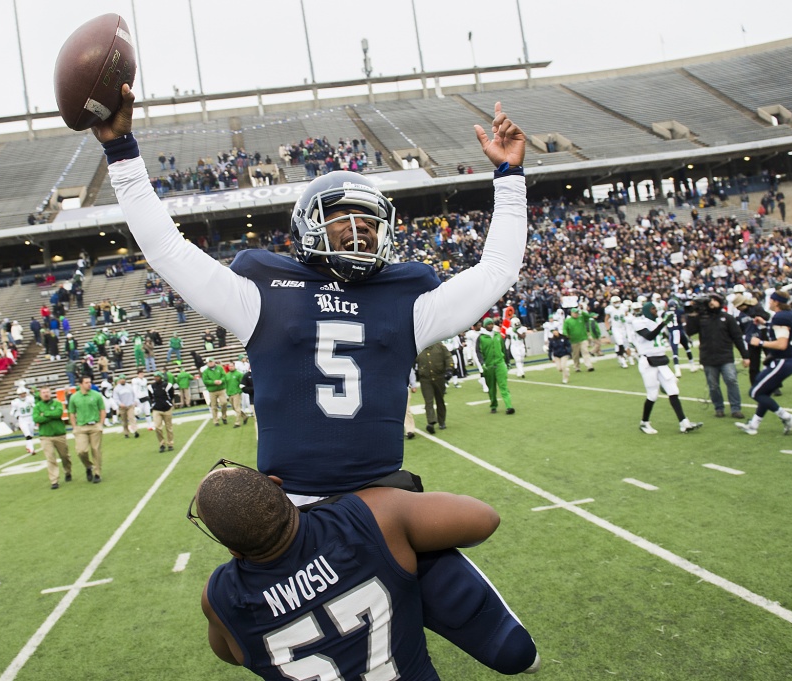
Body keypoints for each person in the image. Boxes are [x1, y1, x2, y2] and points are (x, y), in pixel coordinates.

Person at [98, 90, 536, 673]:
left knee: (513, 652)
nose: (356, 233)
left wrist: (510, 176)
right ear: (308, 227)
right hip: (297, 525)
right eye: (342, 221)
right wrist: (120, 152)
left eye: (366, 223)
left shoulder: (409, 301)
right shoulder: (261, 293)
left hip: (384, 505)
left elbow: (498, 270)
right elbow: (166, 248)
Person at [194, 463, 530, 679]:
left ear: (233, 550)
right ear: (279, 486)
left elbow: (231, 655)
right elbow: (484, 519)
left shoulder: (220, 598)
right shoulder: (368, 516)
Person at [735, 290, 792, 435]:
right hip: (786, 361)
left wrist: (759, 342)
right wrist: (766, 324)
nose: (769, 303)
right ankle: (753, 425)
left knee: (755, 392)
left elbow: (781, 344)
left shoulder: (781, 317)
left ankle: (787, 417)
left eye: (771, 300)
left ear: (776, 302)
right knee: (764, 392)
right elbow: (785, 331)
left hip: (782, 361)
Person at [632, 302, 702, 435]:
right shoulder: (639, 322)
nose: (655, 310)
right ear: (647, 310)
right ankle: (644, 422)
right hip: (648, 361)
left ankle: (684, 423)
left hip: (660, 360)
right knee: (652, 395)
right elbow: (649, 336)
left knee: (673, 390)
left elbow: (662, 336)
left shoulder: (658, 320)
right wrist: (663, 324)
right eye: (653, 308)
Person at [684, 293, 750, 419]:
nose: (711, 302)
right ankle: (719, 407)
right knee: (713, 385)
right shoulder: (701, 318)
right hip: (708, 357)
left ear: (720, 302)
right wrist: (692, 315)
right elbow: (690, 331)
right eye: (710, 300)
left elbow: (737, 337)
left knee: (731, 380)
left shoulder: (727, 318)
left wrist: (745, 356)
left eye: (714, 300)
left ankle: (736, 408)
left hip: (726, 356)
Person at [68, 376, 106, 483]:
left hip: (94, 426)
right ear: (80, 384)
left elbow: (102, 410)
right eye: (86, 382)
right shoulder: (74, 397)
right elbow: (71, 412)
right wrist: (74, 427)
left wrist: (101, 424)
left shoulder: (96, 395)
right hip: (81, 427)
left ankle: (97, 473)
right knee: (81, 451)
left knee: (96, 449)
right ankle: (88, 466)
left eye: (89, 382)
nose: (89, 384)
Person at [33, 387, 72, 490]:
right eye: (43, 392)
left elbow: (58, 413)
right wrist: (50, 415)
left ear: (50, 393)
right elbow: (36, 418)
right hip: (45, 435)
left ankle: (68, 471)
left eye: (47, 392)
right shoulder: (37, 406)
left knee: (65, 456)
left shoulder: (57, 403)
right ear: (40, 394)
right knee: (50, 458)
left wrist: (45, 414)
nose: (46, 394)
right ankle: (54, 480)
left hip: (59, 434)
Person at [477, 318, 515, 415]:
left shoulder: (498, 335)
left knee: (504, 386)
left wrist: (507, 362)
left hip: (500, 363)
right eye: (489, 324)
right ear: (485, 326)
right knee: (492, 388)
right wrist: (482, 363)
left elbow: (504, 349)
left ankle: (509, 406)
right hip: (488, 366)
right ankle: (493, 405)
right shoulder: (481, 338)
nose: (491, 325)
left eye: (492, 324)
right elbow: (478, 352)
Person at [416, 340, 453, 434]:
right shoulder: (418, 348)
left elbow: (448, 357)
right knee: (428, 401)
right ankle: (431, 422)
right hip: (425, 379)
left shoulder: (439, 346)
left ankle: (442, 421)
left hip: (439, 377)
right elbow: (411, 361)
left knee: (440, 400)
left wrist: (449, 369)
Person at [148, 371, 175, 452]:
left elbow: (171, 395)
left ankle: (170, 443)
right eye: (155, 376)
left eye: (157, 376)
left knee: (169, 427)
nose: (156, 378)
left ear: (161, 377)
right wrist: (153, 404)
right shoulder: (151, 387)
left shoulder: (168, 385)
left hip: (167, 408)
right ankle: (162, 444)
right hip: (156, 409)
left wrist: (169, 403)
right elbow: (151, 397)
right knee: (157, 427)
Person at [562, 307, 593, 372]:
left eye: (577, 313)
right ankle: (577, 367)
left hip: (583, 338)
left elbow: (588, 316)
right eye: (574, 313)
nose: (576, 314)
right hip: (573, 340)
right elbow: (564, 329)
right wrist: (566, 334)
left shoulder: (581, 317)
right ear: (571, 313)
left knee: (585, 351)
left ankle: (589, 365)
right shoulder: (568, 321)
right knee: (575, 354)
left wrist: (582, 311)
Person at [201, 357, 228, 426]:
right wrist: (213, 382)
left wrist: (221, 380)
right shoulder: (206, 371)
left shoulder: (220, 368)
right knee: (214, 406)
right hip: (212, 390)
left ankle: (224, 416)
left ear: (214, 362)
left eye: (211, 361)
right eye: (209, 362)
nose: (210, 363)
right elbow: (205, 381)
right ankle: (216, 420)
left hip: (221, 389)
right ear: (207, 363)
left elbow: (224, 376)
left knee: (224, 403)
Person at [10, 385, 37, 455]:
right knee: (27, 435)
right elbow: (12, 412)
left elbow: (35, 407)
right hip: (22, 419)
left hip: (30, 418)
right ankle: (32, 450)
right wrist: (17, 416)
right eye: (21, 394)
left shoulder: (30, 399)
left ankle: (28, 446)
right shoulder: (16, 402)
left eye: (23, 393)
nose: (22, 395)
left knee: (31, 435)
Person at [223, 362, 245, 428]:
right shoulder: (227, 375)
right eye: (229, 366)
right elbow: (225, 384)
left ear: (234, 366)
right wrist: (227, 392)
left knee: (237, 407)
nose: (231, 367)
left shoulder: (239, 374)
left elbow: (242, 383)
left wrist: (239, 391)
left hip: (236, 393)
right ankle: (244, 416)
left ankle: (237, 423)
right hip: (230, 393)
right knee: (234, 408)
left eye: (232, 366)